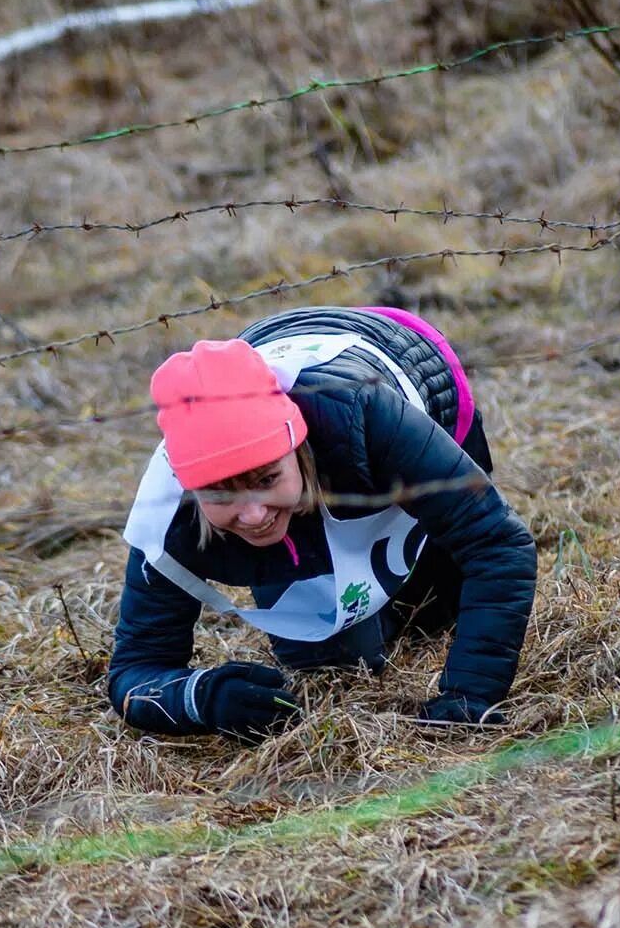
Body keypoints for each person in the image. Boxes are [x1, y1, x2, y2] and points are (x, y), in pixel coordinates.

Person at [107, 305, 537, 741]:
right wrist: (204, 698)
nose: (254, 515)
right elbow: (135, 667)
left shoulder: (366, 415)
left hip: (407, 364)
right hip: (317, 446)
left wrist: (471, 698)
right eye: (221, 494)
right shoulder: (168, 508)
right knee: (328, 659)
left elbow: (497, 544)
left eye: (267, 479)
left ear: (297, 446)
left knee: (439, 608)